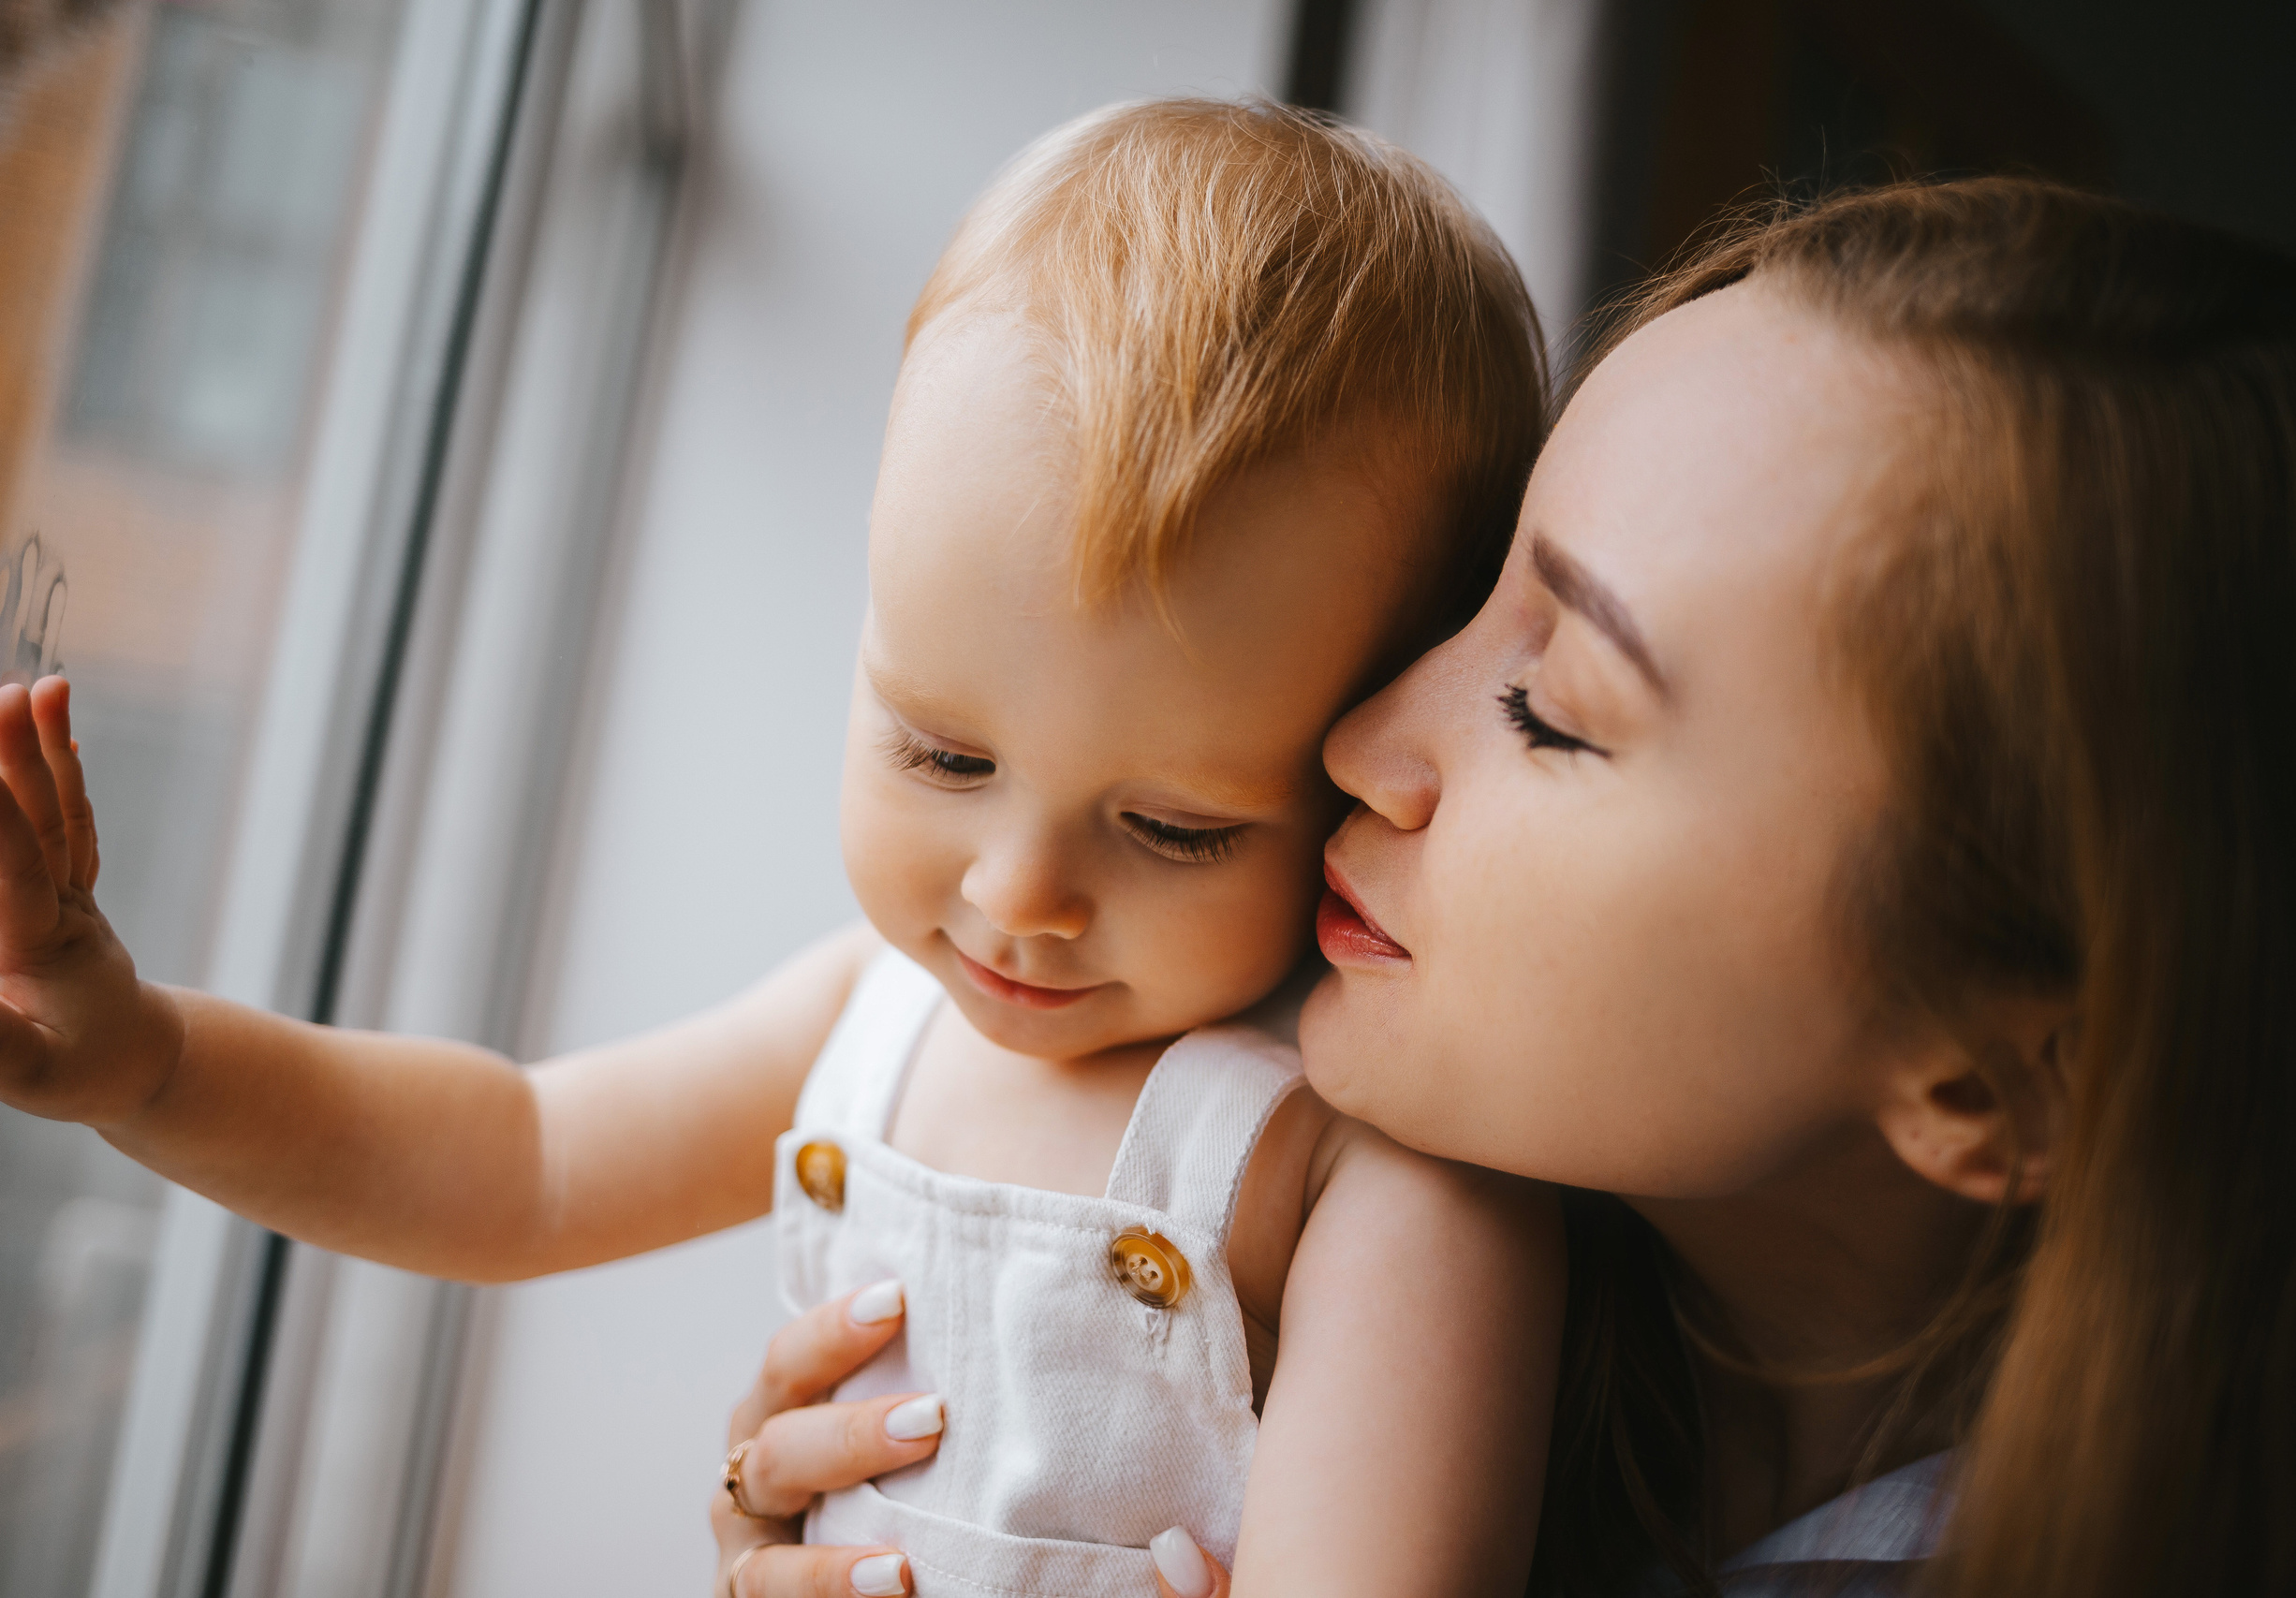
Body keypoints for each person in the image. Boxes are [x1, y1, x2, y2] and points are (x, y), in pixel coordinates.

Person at [717, 176, 2296, 1598]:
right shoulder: (1294, 1282)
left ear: (1994, 1075)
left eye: (1549, 709)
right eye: (1465, 598)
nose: (1356, 740)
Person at [0, 102, 1566, 1597]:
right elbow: (515, 1163)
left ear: (1369, 776)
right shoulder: (865, 1029)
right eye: (942, 752)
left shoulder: (1359, 1163)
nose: (1016, 893)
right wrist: (142, 1061)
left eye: (1174, 826)